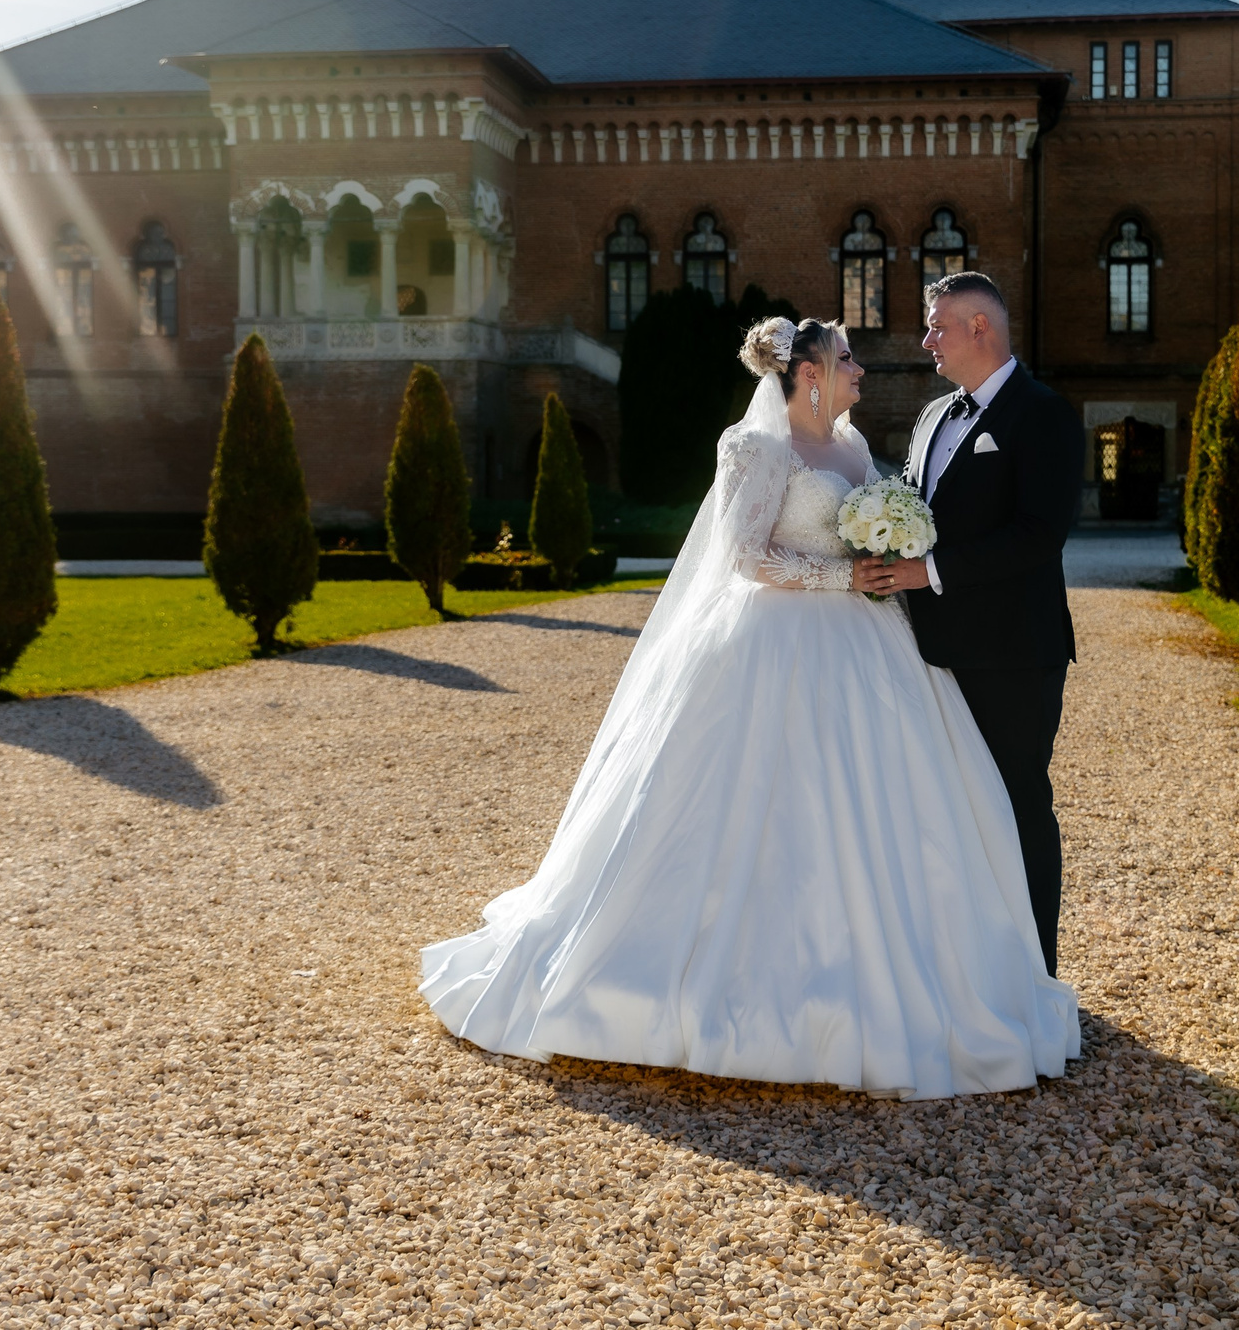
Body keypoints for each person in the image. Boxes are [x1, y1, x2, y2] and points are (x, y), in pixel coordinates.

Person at [420, 316, 1077, 1099]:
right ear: (807, 375)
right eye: (846, 360)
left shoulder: (856, 447)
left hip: (869, 648)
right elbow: (746, 555)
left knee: (888, 806)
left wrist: (882, 560)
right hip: (771, 641)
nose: (860, 371)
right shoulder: (755, 448)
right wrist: (844, 579)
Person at [855, 273, 1082, 976]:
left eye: (936, 326)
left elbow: (1041, 533)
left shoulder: (1044, 413)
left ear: (980, 327)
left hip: (1014, 653)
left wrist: (933, 571)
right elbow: (912, 508)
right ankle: (969, 966)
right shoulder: (930, 418)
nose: (925, 340)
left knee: (1018, 803)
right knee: (950, 808)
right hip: (932, 652)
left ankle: (1036, 972)